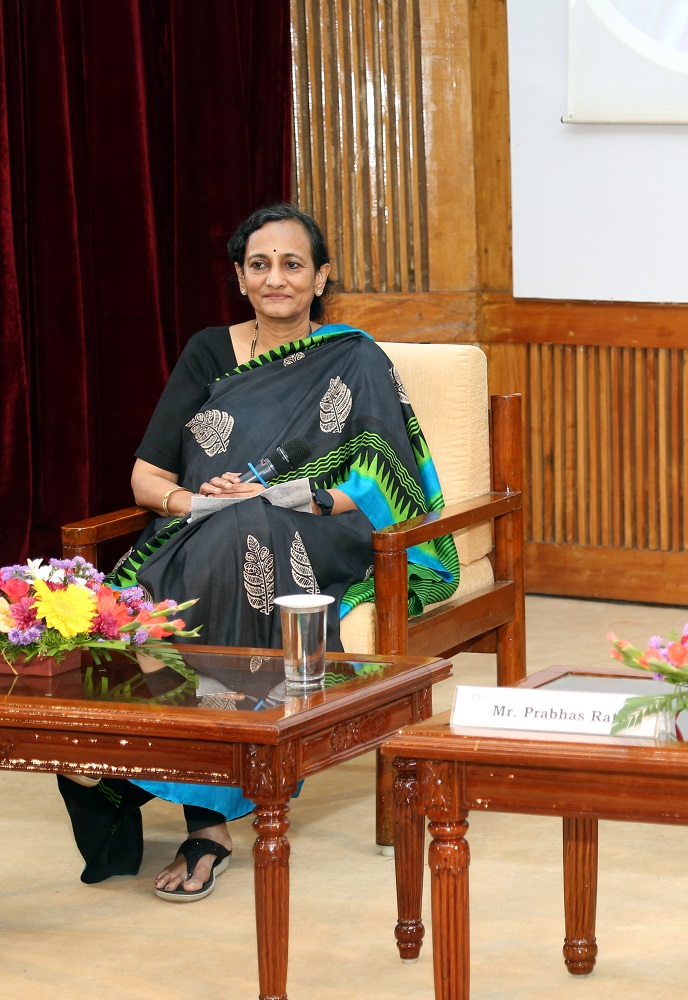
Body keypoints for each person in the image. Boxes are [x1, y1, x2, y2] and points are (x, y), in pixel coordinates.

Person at [54, 203, 459, 902]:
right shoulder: (210, 351)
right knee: (229, 536)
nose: (277, 279)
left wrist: (300, 495)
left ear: (320, 276)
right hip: (202, 527)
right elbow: (147, 478)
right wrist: (195, 500)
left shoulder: (355, 356)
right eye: (260, 265)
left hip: (316, 532)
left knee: (254, 534)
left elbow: (385, 484)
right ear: (242, 277)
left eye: (293, 264)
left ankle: (197, 811)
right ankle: (184, 784)